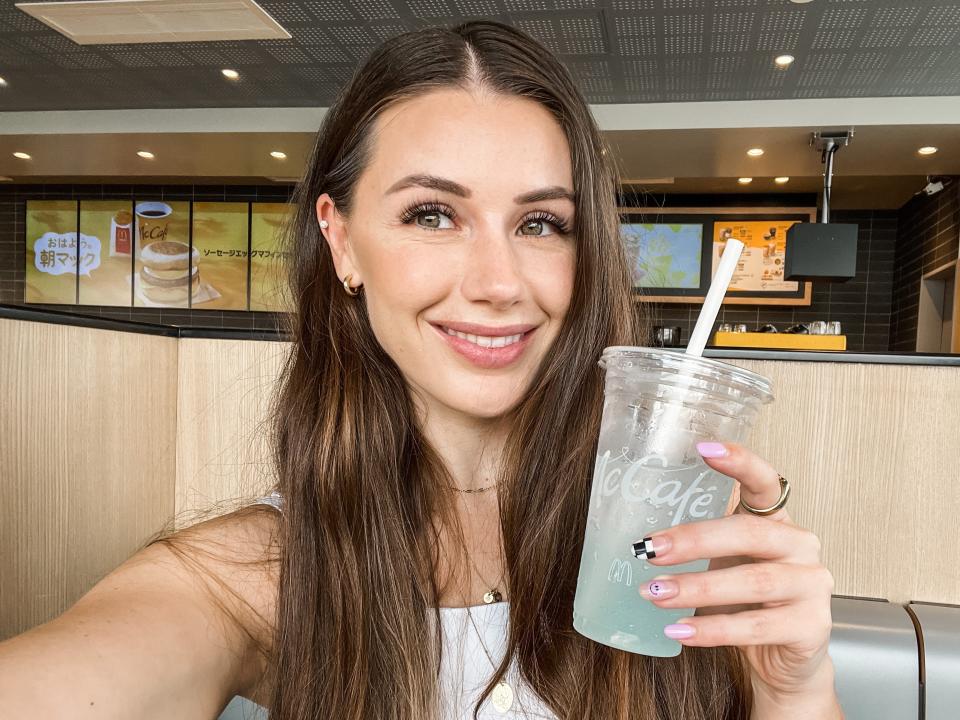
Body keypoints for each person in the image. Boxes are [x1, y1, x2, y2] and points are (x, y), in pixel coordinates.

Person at [0, 20, 841, 720]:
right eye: (432, 214)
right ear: (340, 238)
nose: (498, 282)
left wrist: (791, 690)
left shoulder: (670, 553)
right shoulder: (262, 573)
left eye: (542, 223)